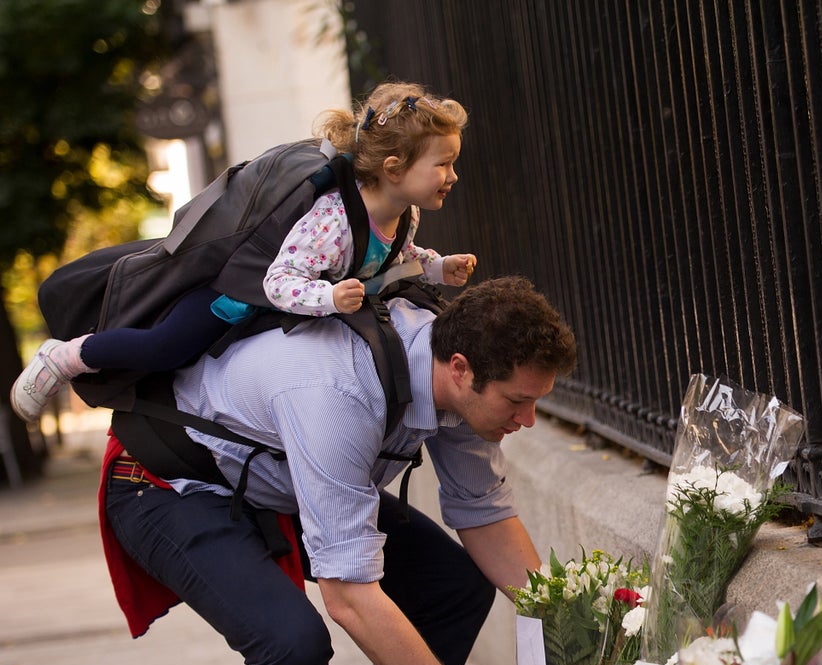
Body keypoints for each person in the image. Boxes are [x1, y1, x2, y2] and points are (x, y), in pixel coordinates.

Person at [101, 275, 578, 665]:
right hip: (170, 482)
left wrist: (579, 628)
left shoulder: (456, 374)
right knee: (290, 643)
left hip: (282, 478)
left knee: (455, 587)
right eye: (519, 402)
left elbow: (485, 517)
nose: (529, 419)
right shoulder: (334, 389)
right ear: (460, 369)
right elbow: (351, 598)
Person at [10, 79, 478, 424]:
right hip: (236, 298)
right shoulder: (332, 220)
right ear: (394, 168)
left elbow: (396, 258)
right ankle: (68, 356)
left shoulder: (405, 214)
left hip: (291, 307)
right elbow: (279, 281)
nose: (453, 176)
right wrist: (328, 300)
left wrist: (438, 267)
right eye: (443, 164)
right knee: (166, 347)